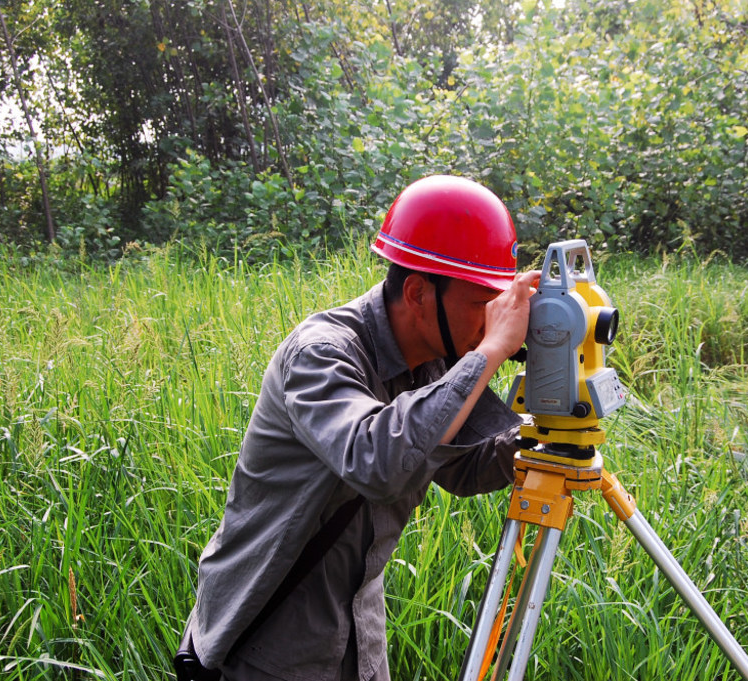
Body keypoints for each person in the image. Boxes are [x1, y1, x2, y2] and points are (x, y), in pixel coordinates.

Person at [182, 175, 541, 681]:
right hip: (268, 645)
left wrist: (543, 434)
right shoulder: (321, 354)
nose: (494, 320)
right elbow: (377, 461)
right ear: (418, 292)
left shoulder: (436, 361)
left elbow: (462, 469)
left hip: (358, 637)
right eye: (483, 302)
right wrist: (491, 351)